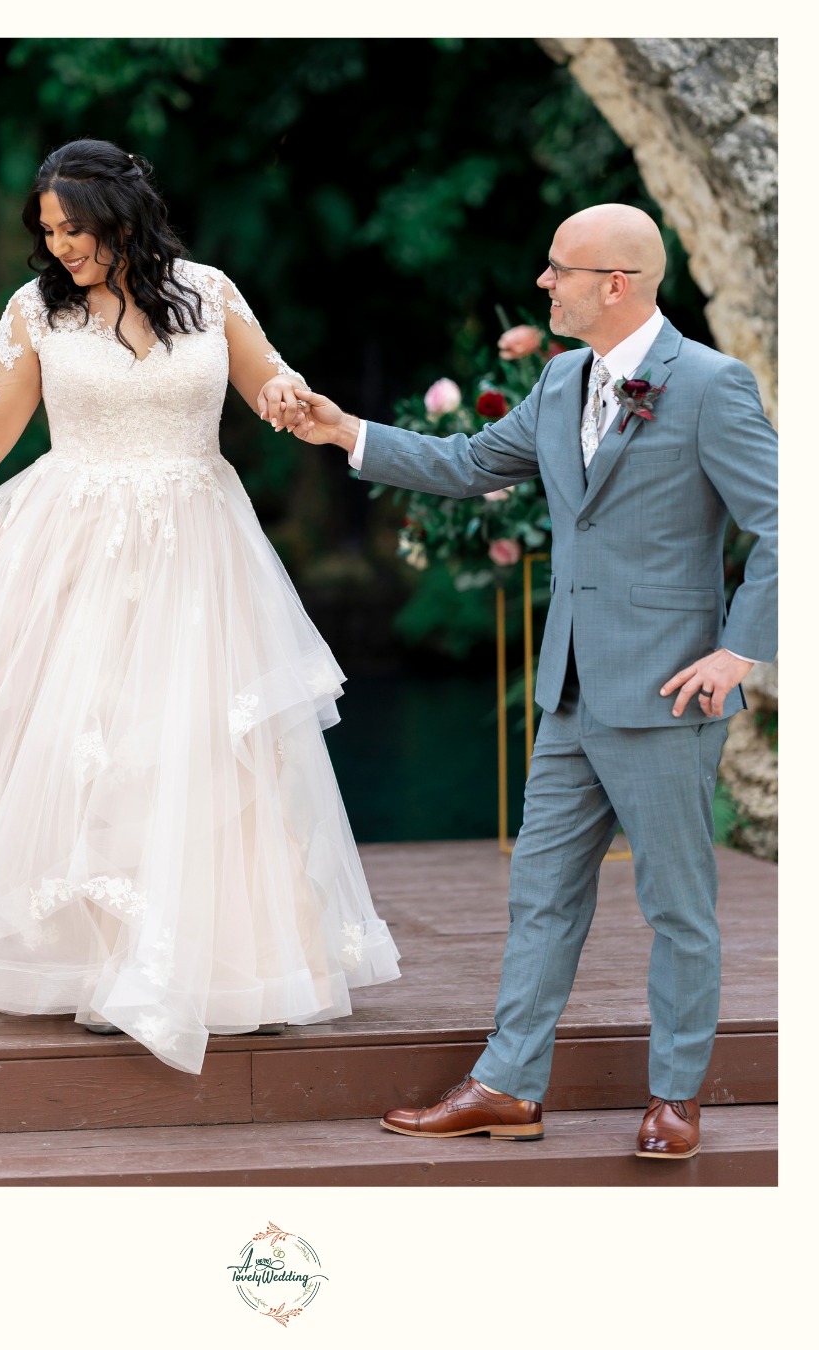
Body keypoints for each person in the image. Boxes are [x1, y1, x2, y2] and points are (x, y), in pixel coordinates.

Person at [0, 138, 400, 1076]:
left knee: (197, 741)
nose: (60, 246)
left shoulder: (210, 293)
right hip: (71, 541)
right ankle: (96, 960)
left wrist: (283, 394)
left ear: (122, 215)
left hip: (198, 545)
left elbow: (266, 378)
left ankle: (230, 966)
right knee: (86, 739)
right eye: (49, 231)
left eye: (73, 228)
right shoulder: (37, 312)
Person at [290, 204, 777, 1159]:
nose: (543, 283)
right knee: (542, 896)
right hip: (568, 694)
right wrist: (345, 431)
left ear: (617, 284)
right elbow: (469, 465)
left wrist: (737, 653)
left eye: (559, 269)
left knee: (678, 905)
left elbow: (783, 528)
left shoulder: (714, 388)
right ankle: (508, 1088)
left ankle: (675, 1097)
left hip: (673, 696)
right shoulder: (559, 382)